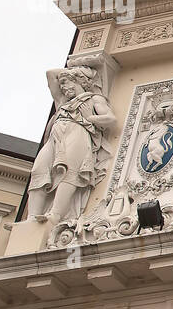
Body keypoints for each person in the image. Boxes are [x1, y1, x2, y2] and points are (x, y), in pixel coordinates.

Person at [28, 63, 115, 226]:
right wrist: (73, 72)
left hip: (79, 133)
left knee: (70, 171)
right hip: (56, 136)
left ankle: (55, 215)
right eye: (62, 84)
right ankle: (32, 217)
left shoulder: (94, 99)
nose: (64, 87)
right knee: (39, 169)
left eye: (67, 83)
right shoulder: (62, 101)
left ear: (79, 82)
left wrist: (90, 119)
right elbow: (50, 73)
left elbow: (111, 119)